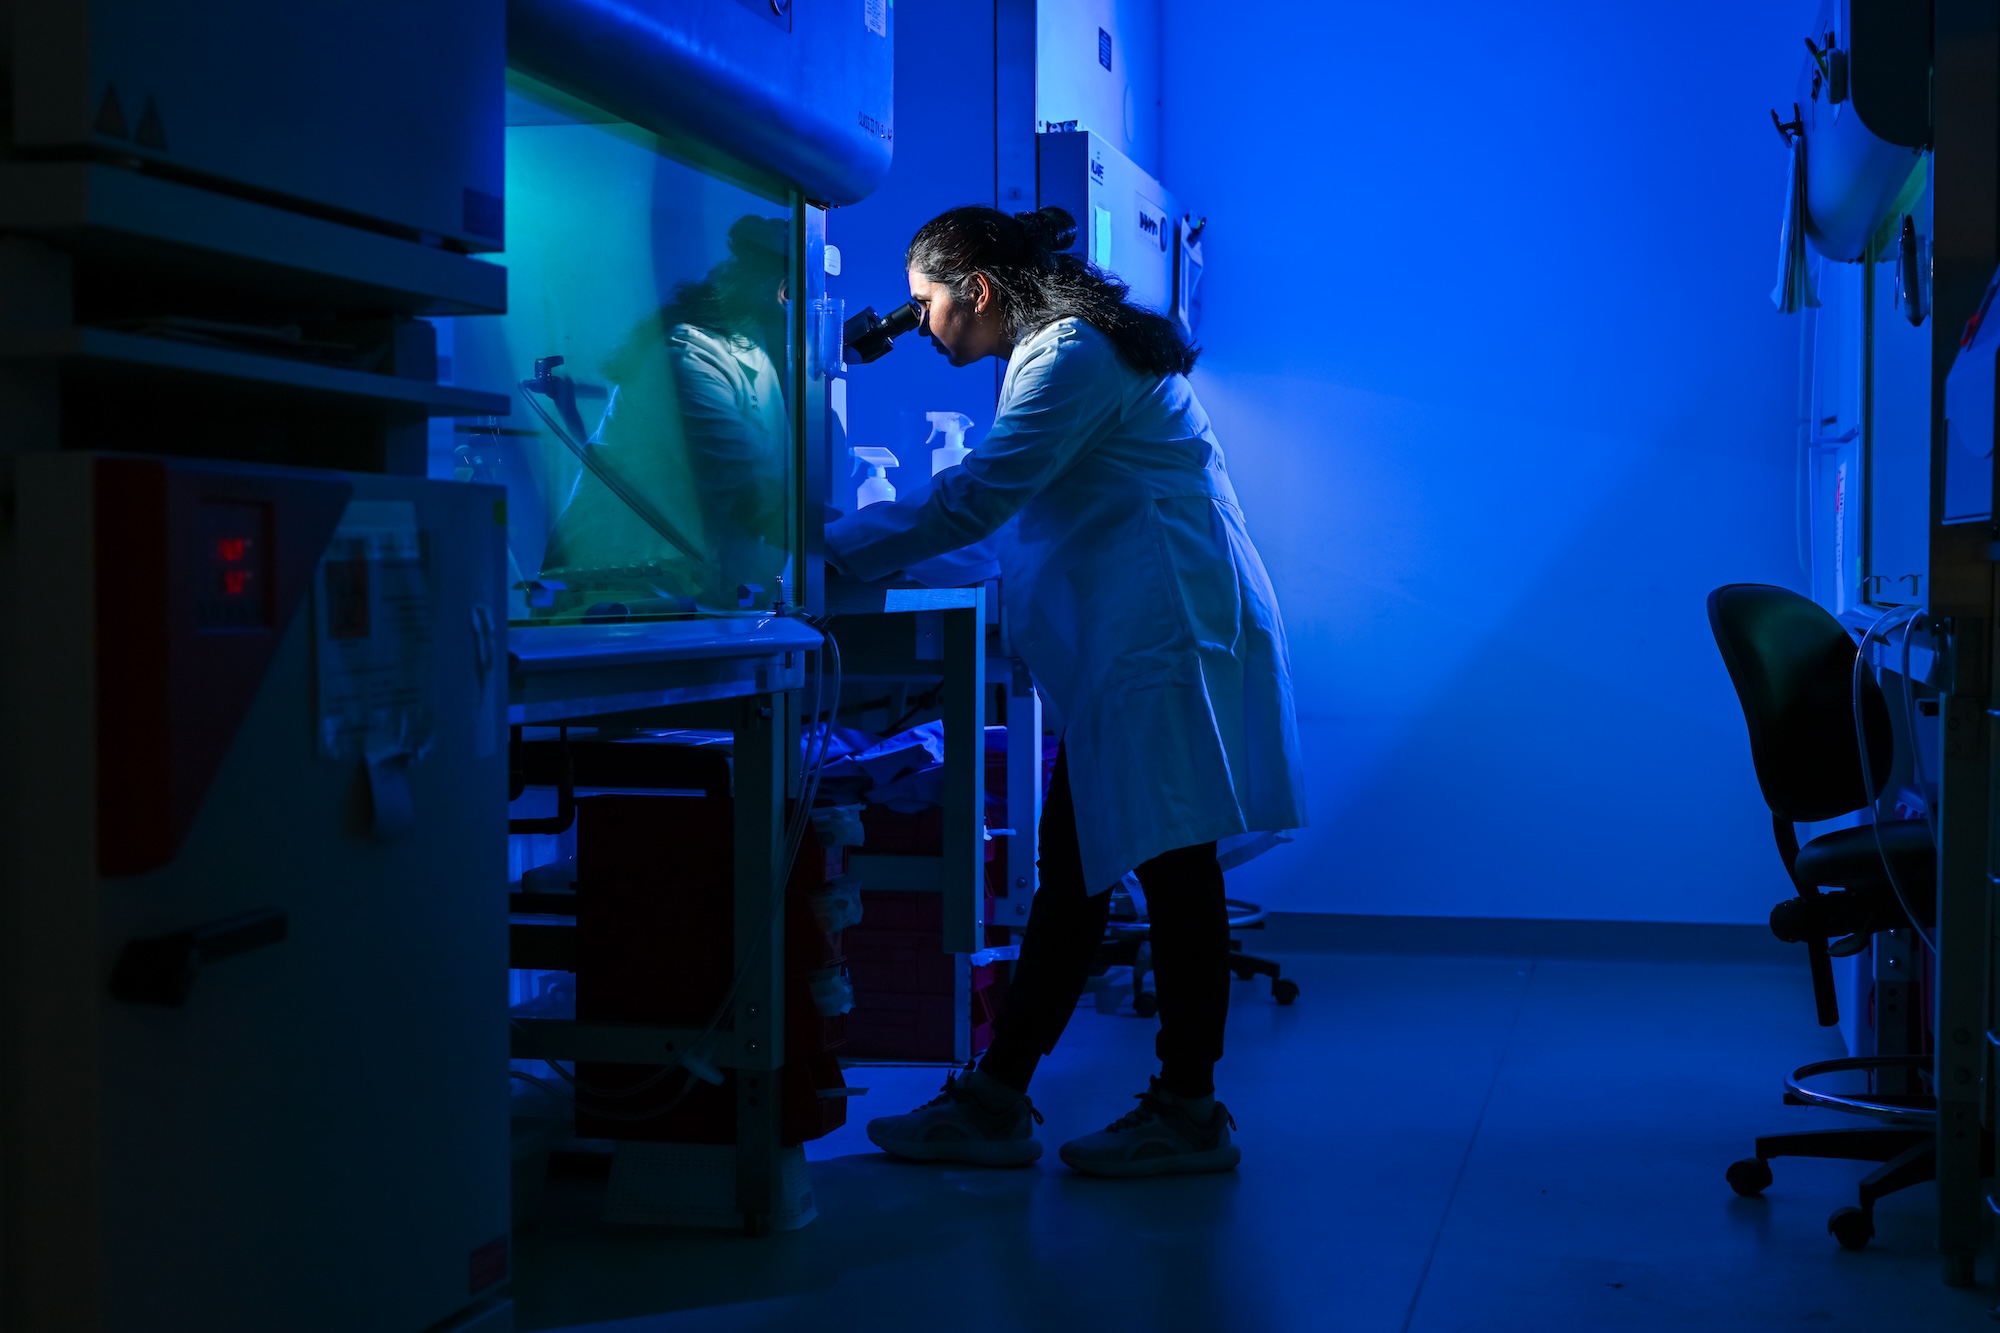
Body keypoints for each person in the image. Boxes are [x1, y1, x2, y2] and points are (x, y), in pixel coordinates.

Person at [824, 205, 1305, 1177]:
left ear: (980, 291)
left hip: (1160, 632)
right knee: (1081, 870)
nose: (919, 324)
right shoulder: (1058, 352)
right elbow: (1013, 508)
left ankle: (1182, 1110)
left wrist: (821, 554)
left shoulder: (1068, 353)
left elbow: (981, 495)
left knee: (1167, 873)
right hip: (1142, 632)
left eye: (925, 304)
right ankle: (1000, 1097)